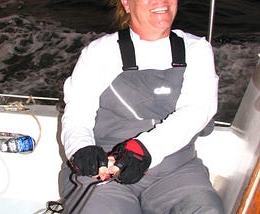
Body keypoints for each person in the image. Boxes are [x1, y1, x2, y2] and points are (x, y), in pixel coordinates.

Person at [59, 0, 224, 213]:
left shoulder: (196, 49)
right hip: (107, 169)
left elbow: (198, 109)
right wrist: (82, 149)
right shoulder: (99, 52)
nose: (162, 2)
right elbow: (77, 114)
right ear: (127, 3)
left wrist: (142, 149)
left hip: (177, 170)